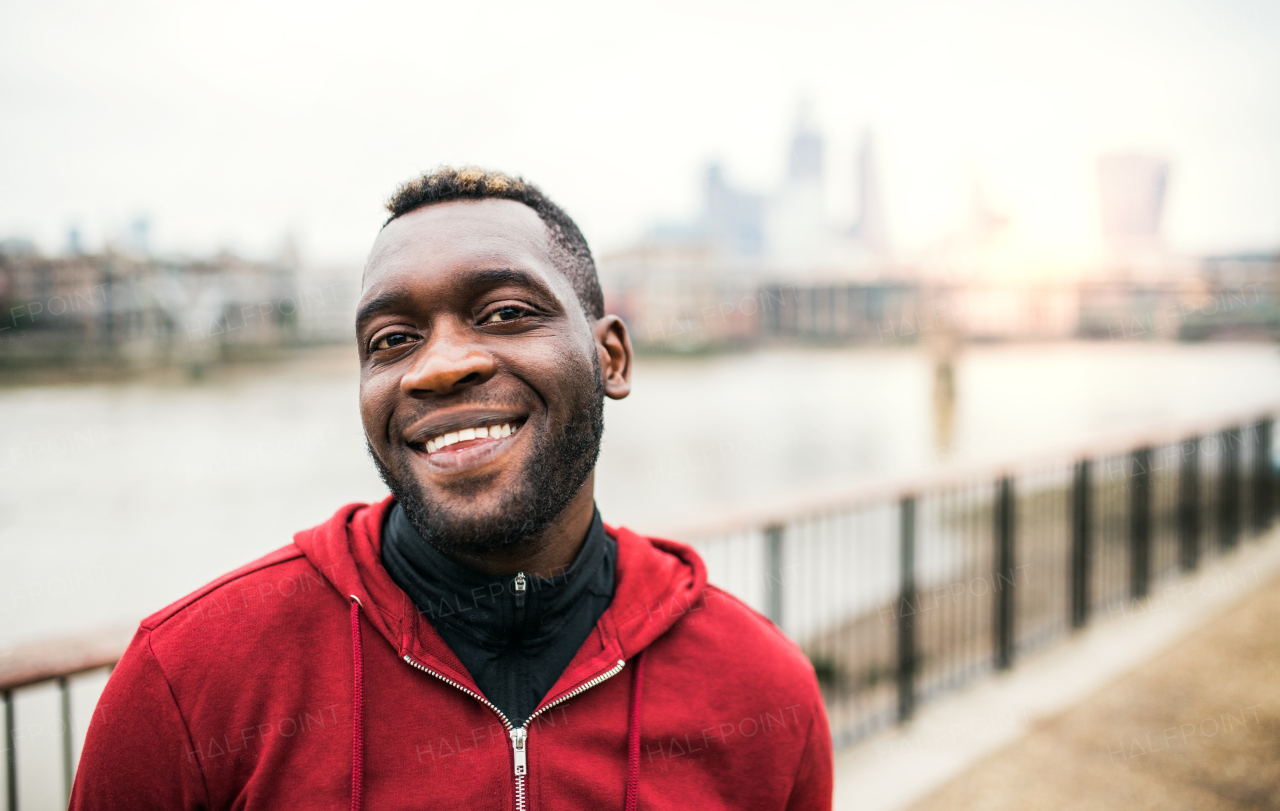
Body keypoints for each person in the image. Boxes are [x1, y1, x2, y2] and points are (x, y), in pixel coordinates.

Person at [71, 167, 833, 810]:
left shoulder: (761, 689)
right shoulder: (190, 679)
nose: (437, 367)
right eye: (392, 340)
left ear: (612, 358)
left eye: (505, 313)